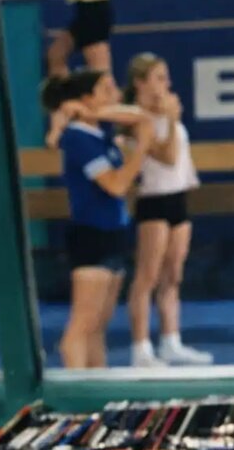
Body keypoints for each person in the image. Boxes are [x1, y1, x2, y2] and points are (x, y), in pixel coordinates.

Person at [41, 68, 154, 368]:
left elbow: (142, 117)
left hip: (113, 233)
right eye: (106, 89)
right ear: (86, 97)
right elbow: (115, 185)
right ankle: (76, 391)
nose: (115, 94)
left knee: (98, 327)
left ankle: (97, 387)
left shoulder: (99, 134)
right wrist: (141, 150)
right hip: (91, 235)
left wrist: (95, 112)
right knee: (81, 326)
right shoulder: (78, 138)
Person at [123, 53, 213, 367]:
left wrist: (170, 117)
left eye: (166, 77)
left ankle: (170, 341)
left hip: (177, 198)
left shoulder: (165, 114)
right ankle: (140, 348)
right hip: (154, 200)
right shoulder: (135, 119)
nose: (167, 84)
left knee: (173, 275)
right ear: (140, 82)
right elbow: (168, 156)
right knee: (146, 276)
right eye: (159, 78)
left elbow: (181, 163)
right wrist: (172, 120)